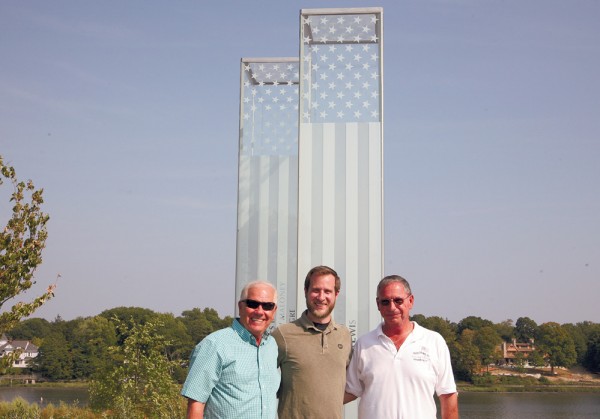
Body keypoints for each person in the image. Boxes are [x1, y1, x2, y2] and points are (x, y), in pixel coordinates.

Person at [344, 275, 459, 419]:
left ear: (410, 301)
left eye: (398, 300)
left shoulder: (434, 341)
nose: (392, 307)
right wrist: (311, 401)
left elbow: (448, 394)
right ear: (378, 305)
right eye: (385, 302)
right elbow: (351, 390)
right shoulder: (363, 344)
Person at [181, 280, 280, 419]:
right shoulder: (215, 344)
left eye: (267, 306)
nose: (259, 311)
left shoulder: (272, 346)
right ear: (240, 306)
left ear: (274, 311)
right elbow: (196, 404)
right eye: (252, 304)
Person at [272, 265, 352, 419]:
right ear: (305, 291)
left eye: (327, 291)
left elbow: (354, 385)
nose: (321, 297)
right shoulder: (283, 335)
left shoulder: (345, 335)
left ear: (336, 294)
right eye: (316, 290)